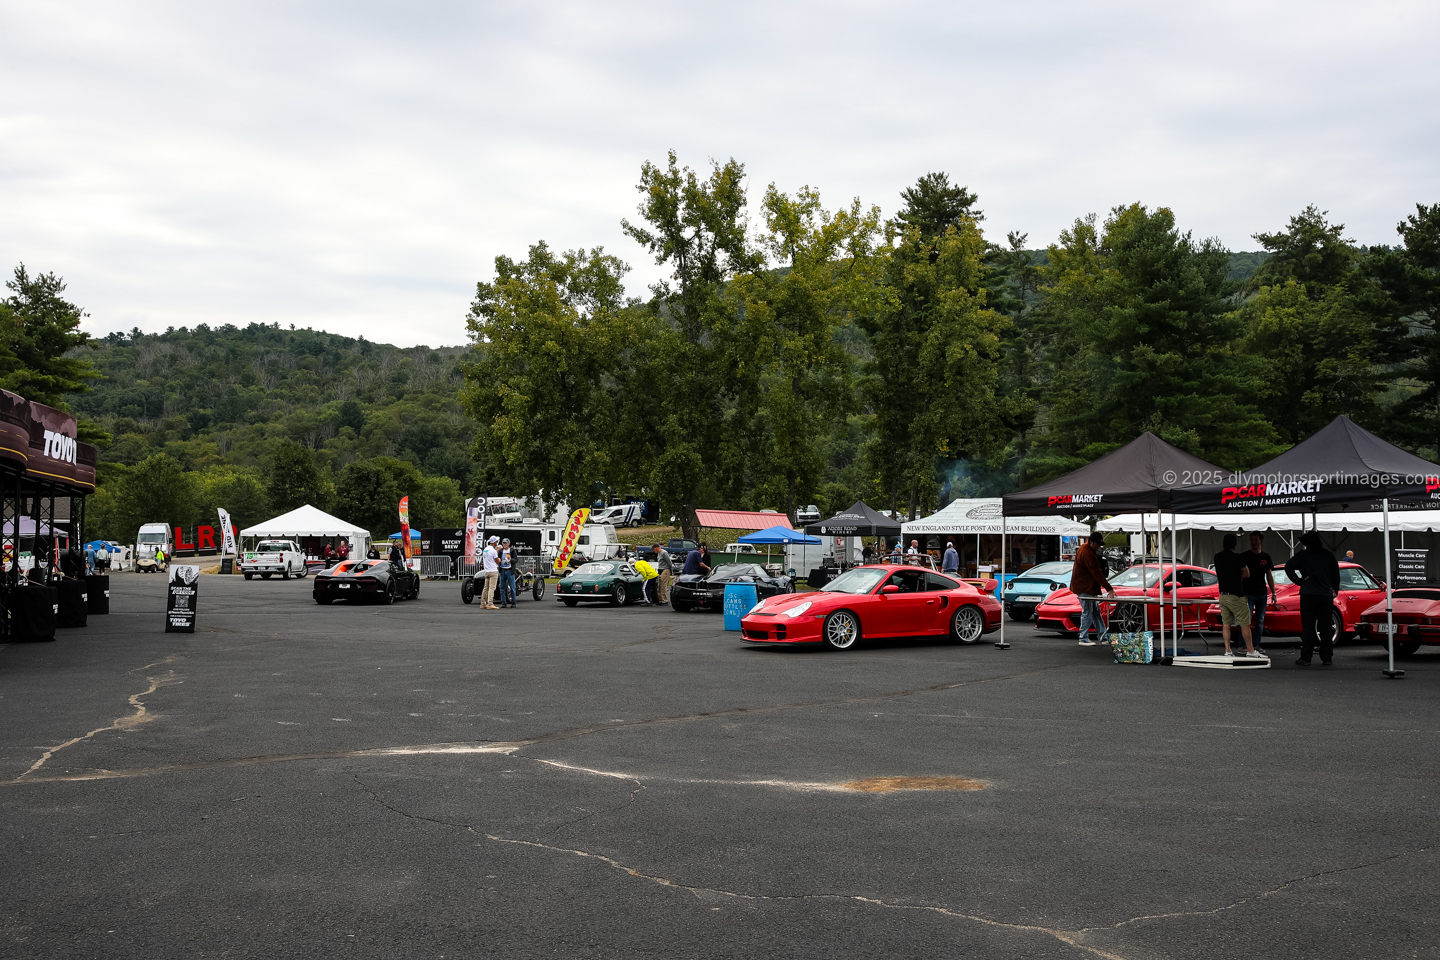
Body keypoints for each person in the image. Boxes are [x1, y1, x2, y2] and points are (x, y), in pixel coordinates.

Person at [1286, 531, 1341, 665]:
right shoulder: (1329, 555)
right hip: (1325, 594)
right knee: (1326, 627)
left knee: (1308, 627)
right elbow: (1336, 575)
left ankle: (1306, 657)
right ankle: (1327, 657)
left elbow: (1288, 567)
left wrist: (1299, 581)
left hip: (1308, 594)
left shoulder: (1303, 555)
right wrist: (1335, 589)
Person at [1214, 533, 1260, 658]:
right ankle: (1250, 650)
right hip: (1236, 595)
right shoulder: (1237, 557)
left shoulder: (1217, 557)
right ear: (1235, 544)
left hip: (1223, 595)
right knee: (1245, 624)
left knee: (1226, 623)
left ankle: (1228, 650)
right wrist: (1236, 575)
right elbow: (1246, 573)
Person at [1070, 531, 1115, 647]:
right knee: (1088, 612)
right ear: (1092, 542)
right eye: (1098, 544)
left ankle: (1102, 635)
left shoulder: (1083, 548)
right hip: (1086, 587)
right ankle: (1083, 637)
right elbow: (1097, 573)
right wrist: (1109, 588)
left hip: (1083, 586)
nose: (1099, 546)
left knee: (1094, 611)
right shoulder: (1089, 554)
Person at [1243, 532, 1278, 647]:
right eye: (1252, 540)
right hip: (1248, 592)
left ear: (1261, 541)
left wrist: (1274, 593)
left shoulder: (1266, 557)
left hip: (1262, 592)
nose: (1253, 543)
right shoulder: (1245, 556)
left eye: (1256, 540)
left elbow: (1269, 575)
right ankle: (1244, 645)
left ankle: (1256, 644)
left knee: (1260, 620)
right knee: (1246, 620)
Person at [480, 536, 501, 609]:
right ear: (494, 542)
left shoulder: (485, 549)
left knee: (485, 588)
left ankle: (483, 603)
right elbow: (497, 561)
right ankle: (490, 603)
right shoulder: (493, 551)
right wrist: (500, 559)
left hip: (487, 570)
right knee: (492, 588)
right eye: (496, 541)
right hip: (493, 570)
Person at [497, 538, 516, 608]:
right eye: (503, 543)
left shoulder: (512, 550)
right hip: (502, 570)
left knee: (512, 587)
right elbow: (498, 559)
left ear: (508, 543)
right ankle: (503, 602)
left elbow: (516, 559)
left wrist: (511, 559)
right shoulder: (501, 551)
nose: (504, 544)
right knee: (502, 587)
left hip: (510, 570)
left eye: (505, 543)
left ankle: (513, 602)